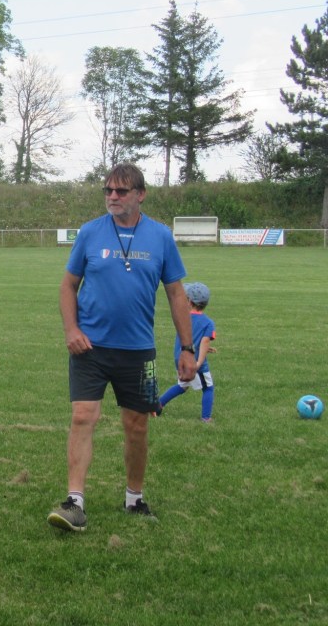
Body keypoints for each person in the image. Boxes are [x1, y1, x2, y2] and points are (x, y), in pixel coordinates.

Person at [48, 163, 197, 533]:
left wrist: (187, 348)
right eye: (108, 190)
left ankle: (134, 498)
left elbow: (176, 293)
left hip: (138, 350)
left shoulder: (160, 237)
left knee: (137, 425)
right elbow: (68, 286)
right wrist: (71, 329)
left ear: (140, 195)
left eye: (121, 191)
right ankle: (74, 502)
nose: (112, 197)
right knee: (83, 416)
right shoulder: (90, 232)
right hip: (90, 348)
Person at [158, 282, 217, 421]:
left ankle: (158, 405)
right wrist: (198, 363)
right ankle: (206, 418)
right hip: (194, 361)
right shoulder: (208, 323)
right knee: (208, 387)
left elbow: (191, 338)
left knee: (182, 386)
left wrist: (204, 348)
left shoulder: (183, 318)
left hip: (180, 358)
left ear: (189, 301)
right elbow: (204, 341)